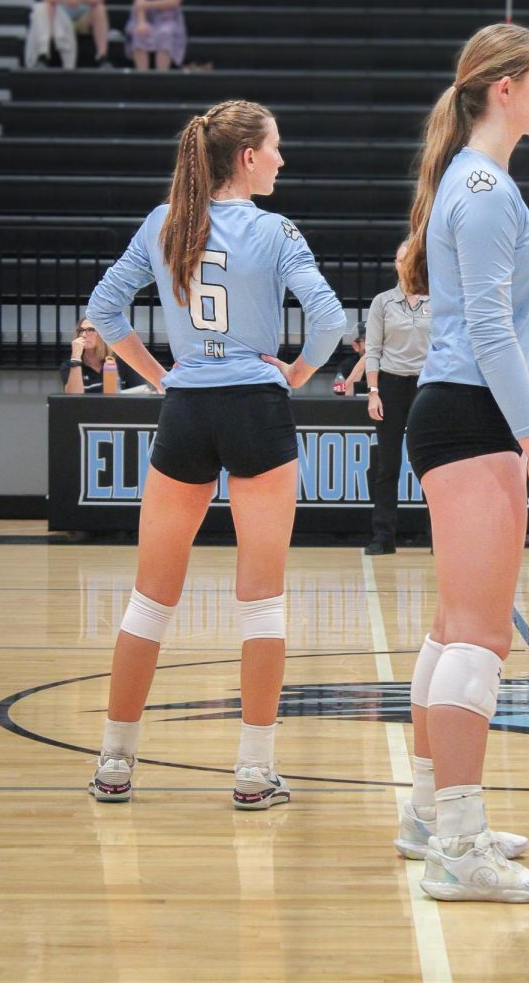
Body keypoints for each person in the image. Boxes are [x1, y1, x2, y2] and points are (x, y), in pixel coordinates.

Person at [84, 100, 347, 808]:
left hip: (187, 408)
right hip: (258, 408)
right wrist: (295, 372)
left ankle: (114, 764)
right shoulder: (275, 229)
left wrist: (158, 374)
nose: (284, 160)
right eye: (277, 148)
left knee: (149, 601)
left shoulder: (167, 221)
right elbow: (329, 319)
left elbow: (103, 311)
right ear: (248, 158)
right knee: (262, 604)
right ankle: (254, 775)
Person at [397, 23, 529, 903]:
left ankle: (432, 816)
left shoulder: (471, 182)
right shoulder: (484, 187)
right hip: (473, 416)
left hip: (454, 412)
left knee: (450, 626)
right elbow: (495, 332)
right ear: (502, 87)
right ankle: (460, 852)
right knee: (480, 636)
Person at [363, 242, 431, 554]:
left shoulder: (437, 299)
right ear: (395, 263)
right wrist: (373, 392)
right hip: (390, 385)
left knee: (431, 465)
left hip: (427, 385)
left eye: (411, 258)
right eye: (401, 258)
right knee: (387, 464)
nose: (406, 264)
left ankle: (439, 539)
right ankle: (383, 537)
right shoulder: (383, 302)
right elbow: (372, 350)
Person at [60, 316, 142, 393]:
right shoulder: (70, 365)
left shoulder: (124, 361)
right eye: (81, 330)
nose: (83, 335)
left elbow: (141, 392)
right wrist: (76, 358)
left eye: (91, 330)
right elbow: (73, 398)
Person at [337, 321, 368, 396]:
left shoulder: (388, 363)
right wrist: (366, 359)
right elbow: (342, 395)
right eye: (367, 340)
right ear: (355, 346)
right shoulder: (346, 366)